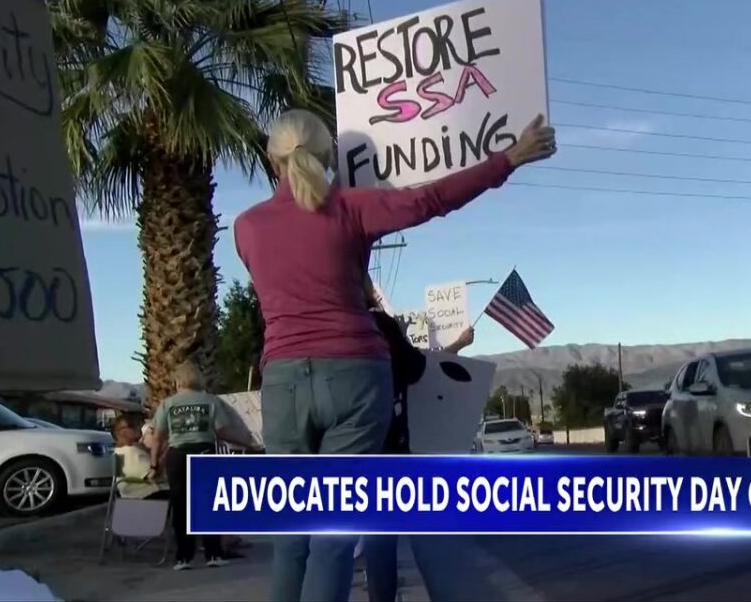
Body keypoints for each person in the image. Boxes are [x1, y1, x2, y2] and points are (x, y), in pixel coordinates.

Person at [234, 109, 556, 602]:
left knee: (291, 535)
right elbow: (428, 201)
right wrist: (507, 159)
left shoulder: (247, 227)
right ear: (327, 157)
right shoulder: (352, 208)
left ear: (272, 160)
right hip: (355, 375)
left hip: (283, 379)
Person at [356, 276, 474, 602]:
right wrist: (455, 348)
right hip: (383, 444)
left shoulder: (315, 326)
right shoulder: (378, 325)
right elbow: (416, 368)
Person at [150, 361, 256, 571]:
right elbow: (222, 432)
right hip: (204, 453)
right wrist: (248, 443)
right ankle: (213, 554)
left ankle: (183, 558)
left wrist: (154, 463)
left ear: (178, 380)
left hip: (177, 456)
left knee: (181, 506)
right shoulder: (210, 401)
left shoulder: (167, 403)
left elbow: (158, 436)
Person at [111, 415, 166, 500]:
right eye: (132, 425)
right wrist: (168, 451)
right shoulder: (129, 452)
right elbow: (152, 475)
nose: (138, 427)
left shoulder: (121, 451)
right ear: (122, 432)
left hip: (143, 494)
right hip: (148, 495)